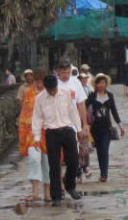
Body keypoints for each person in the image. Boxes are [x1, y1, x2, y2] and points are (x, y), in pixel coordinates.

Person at [32, 74, 83, 206]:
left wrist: (79, 129)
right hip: (51, 132)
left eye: (53, 88)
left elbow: (73, 111)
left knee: (73, 161)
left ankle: (70, 186)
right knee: (54, 165)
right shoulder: (40, 98)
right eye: (49, 89)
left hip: (67, 129)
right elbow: (37, 117)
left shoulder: (66, 94)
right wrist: (36, 137)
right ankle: (56, 196)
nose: (52, 91)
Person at [85, 74, 124, 183]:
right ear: (96, 84)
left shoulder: (110, 96)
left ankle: (104, 174)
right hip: (95, 128)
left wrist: (120, 126)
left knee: (104, 150)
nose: (101, 85)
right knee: (99, 151)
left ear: (106, 84)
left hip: (107, 127)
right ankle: (102, 172)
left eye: (103, 82)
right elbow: (83, 108)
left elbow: (114, 111)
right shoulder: (92, 96)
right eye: (99, 83)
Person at [18, 72, 50, 203]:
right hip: (31, 133)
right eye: (37, 81)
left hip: (47, 132)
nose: (39, 84)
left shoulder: (51, 94)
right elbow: (24, 114)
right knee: (34, 160)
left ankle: (47, 193)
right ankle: (35, 192)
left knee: (47, 163)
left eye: (42, 81)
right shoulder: (29, 94)